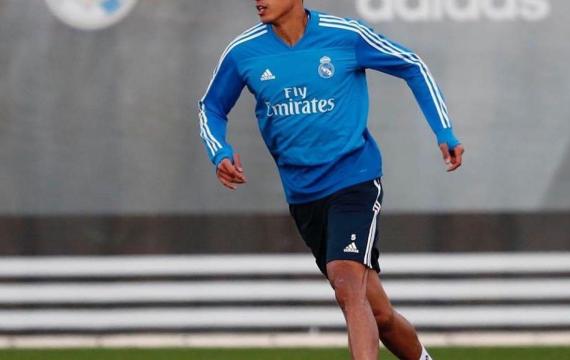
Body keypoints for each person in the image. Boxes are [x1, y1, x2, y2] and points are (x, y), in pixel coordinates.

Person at [198, 1, 464, 359]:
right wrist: (220, 152)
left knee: (346, 285)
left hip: (354, 179)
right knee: (380, 315)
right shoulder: (243, 51)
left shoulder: (346, 36)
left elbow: (412, 65)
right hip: (303, 195)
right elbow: (211, 107)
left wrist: (443, 130)